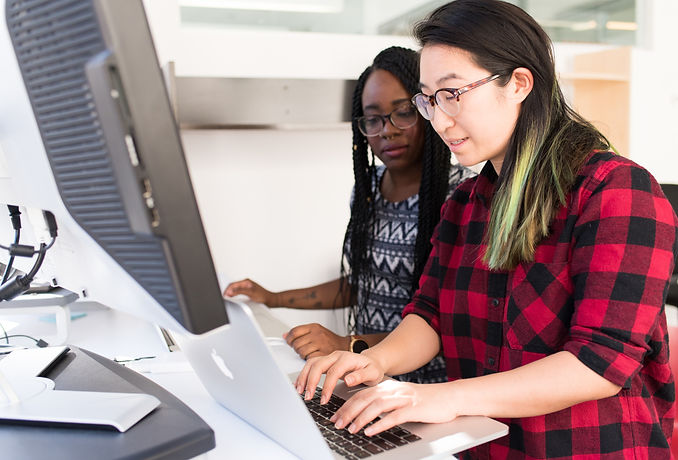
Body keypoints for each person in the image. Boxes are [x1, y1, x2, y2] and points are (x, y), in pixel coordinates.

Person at [294, 1, 678, 458]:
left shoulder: (616, 190)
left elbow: (599, 363)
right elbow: (429, 314)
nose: (439, 118)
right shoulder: (464, 205)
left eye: (452, 93)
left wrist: (438, 396)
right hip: (484, 447)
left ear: (518, 84)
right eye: (429, 98)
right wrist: (370, 361)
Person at [224, 46, 475, 384]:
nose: (387, 130)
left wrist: (348, 345)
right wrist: (272, 298)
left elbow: (447, 324)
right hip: (369, 378)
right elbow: (361, 283)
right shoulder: (368, 189)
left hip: (428, 389)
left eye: (403, 113)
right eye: (373, 119)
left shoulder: (462, 195)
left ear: (427, 109)